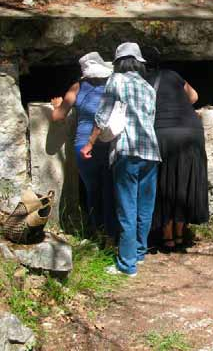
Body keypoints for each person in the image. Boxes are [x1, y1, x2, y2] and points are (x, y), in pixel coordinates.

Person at [80, 42, 161, 277]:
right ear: (138, 62)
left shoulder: (115, 81)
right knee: (145, 206)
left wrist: (90, 143)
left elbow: (103, 116)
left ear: (118, 63)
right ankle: (138, 252)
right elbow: (150, 118)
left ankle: (126, 265)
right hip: (151, 152)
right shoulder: (148, 87)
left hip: (127, 150)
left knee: (127, 207)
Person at [145, 49, 209, 252]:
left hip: (163, 132)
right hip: (192, 131)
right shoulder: (172, 75)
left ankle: (167, 237)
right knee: (185, 182)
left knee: (165, 183)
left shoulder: (141, 80)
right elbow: (194, 96)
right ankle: (181, 234)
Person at [51, 52, 116, 241]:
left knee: (92, 190)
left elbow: (58, 117)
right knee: (110, 188)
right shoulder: (112, 85)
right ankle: (112, 233)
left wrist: (57, 105)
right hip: (108, 143)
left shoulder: (77, 87)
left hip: (83, 144)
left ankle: (97, 232)